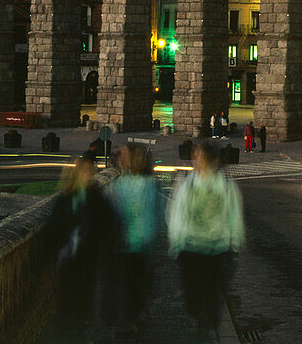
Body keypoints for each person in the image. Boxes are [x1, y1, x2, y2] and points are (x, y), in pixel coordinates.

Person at [167, 143, 245, 338]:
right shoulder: (187, 184)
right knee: (192, 296)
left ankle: (206, 328)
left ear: (211, 160)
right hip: (191, 248)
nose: (196, 161)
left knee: (211, 297)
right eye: (195, 157)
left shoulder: (226, 186)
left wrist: (235, 244)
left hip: (217, 250)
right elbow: (176, 212)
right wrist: (176, 243)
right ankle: (201, 324)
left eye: (200, 157)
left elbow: (234, 215)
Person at [51, 157, 120, 341]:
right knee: (66, 296)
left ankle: (80, 328)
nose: (89, 175)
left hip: (87, 256)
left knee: (84, 295)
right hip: (67, 257)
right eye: (86, 171)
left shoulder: (95, 197)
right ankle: (67, 328)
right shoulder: (65, 198)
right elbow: (56, 227)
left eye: (91, 171)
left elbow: (107, 223)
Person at [105, 145, 165, 336]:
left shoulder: (120, 183)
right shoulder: (149, 184)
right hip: (142, 244)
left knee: (125, 282)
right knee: (139, 283)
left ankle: (124, 318)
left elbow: (112, 212)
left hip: (125, 243)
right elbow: (158, 213)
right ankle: (136, 315)